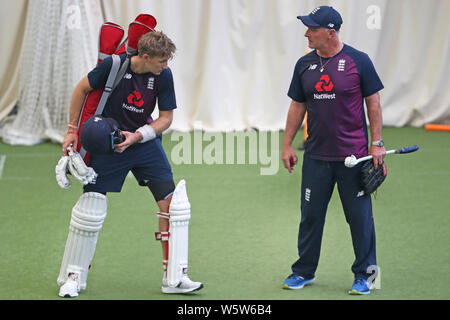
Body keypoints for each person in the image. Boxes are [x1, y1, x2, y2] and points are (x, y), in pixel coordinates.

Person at [57, 31, 203, 297]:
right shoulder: (113, 65)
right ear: (145, 57)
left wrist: (137, 136)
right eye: (161, 61)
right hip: (109, 144)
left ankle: (174, 278)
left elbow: (166, 118)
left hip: (143, 142)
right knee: (90, 208)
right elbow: (81, 89)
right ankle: (73, 277)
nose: (166, 66)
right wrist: (71, 129)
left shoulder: (163, 76)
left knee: (172, 205)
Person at [281, 6, 386, 295]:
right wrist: (287, 143)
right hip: (316, 157)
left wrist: (376, 144)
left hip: (353, 159)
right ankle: (303, 271)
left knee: (360, 219)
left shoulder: (358, 61)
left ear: (330, 32)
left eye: (312, 29)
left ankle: (366, 275)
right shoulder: (304, 65)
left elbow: (373, 103)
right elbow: (297, 105)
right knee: (310, 216)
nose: (306, 33)